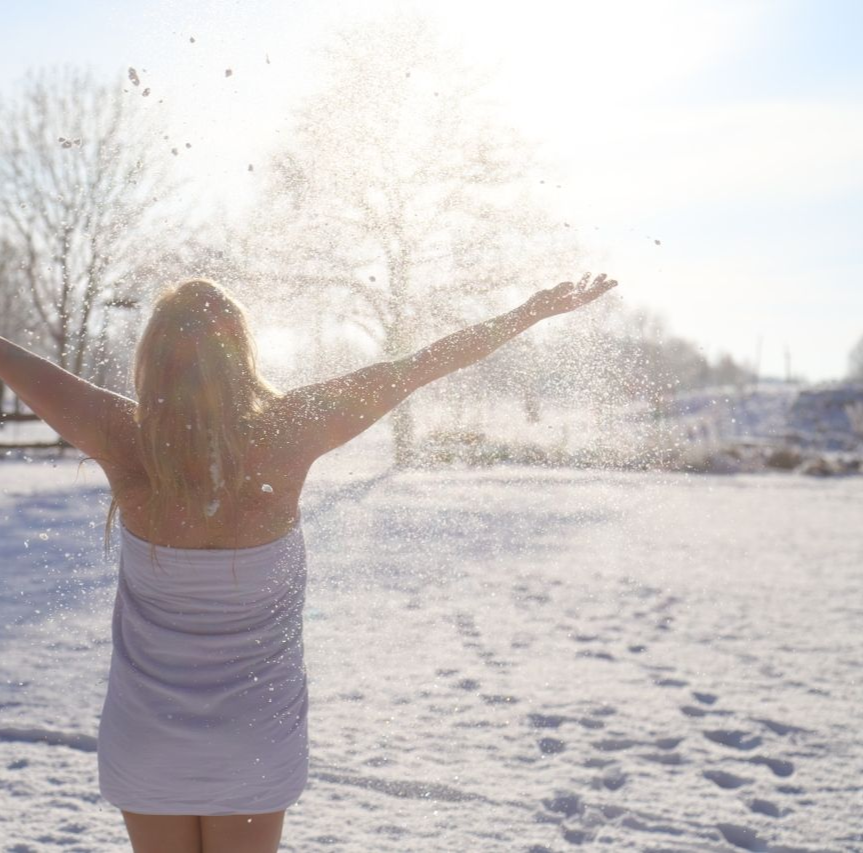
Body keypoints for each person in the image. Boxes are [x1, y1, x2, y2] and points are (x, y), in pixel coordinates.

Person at [0, 272, 617, 853]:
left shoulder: (119, 433)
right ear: (241, 353)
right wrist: (526, 314)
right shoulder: (287, 432)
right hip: (255, 744)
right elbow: (417, 368)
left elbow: (11, 358)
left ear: (152, 357)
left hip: (147, 743)